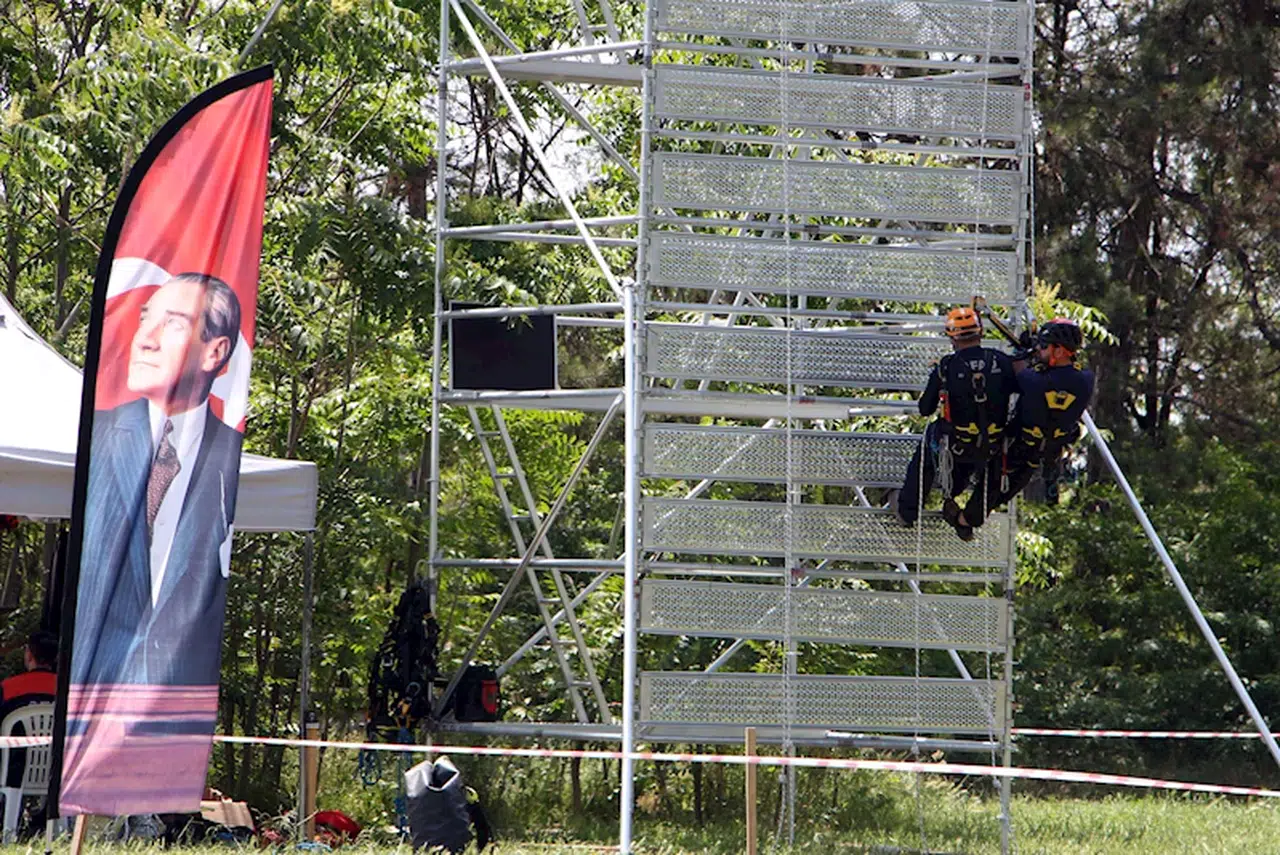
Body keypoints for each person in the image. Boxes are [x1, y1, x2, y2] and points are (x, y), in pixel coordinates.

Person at [71, 273, 243, 689]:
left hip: (179, 707)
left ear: (214, 352)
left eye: (173, 324)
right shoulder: (96, 440)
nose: (144, 339)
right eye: (145, 319)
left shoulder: (230, 461)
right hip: (93, 698)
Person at [887, 307, 1018, 539]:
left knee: (927, 451)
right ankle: (959, 506)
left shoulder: (946, 366)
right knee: (971, 466)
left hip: (955, 443)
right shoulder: (1003, 362)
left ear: (952, 336)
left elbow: (924, 409)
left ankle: (907, 511)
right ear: (980, 333)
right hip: (991, 446)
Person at [955, 318, 1095, 528]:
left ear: (1059, 351)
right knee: (1001, 493)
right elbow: (1058, 377)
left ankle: (964, 519)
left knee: (989, 484)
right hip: (1045, 452)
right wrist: (1037, 353)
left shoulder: (1034, 380)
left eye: (1044, 346)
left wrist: (1025, 352)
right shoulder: (1086, 379)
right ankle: (967, 520)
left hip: (1014, 448)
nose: (1039, 349)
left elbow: (1016, 370)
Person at [1, 631, 58, 793]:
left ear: (29, 655)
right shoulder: (68, 691)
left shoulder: (7, 688)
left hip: (12, 772)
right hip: (56, 772)